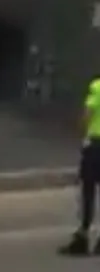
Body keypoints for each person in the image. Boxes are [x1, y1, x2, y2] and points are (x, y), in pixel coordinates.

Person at [59, 77, 100, 256]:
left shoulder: (97, 86)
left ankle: (83, 236)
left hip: (96, 145)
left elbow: (88, 113)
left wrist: (81, 132)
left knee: (88, 189)